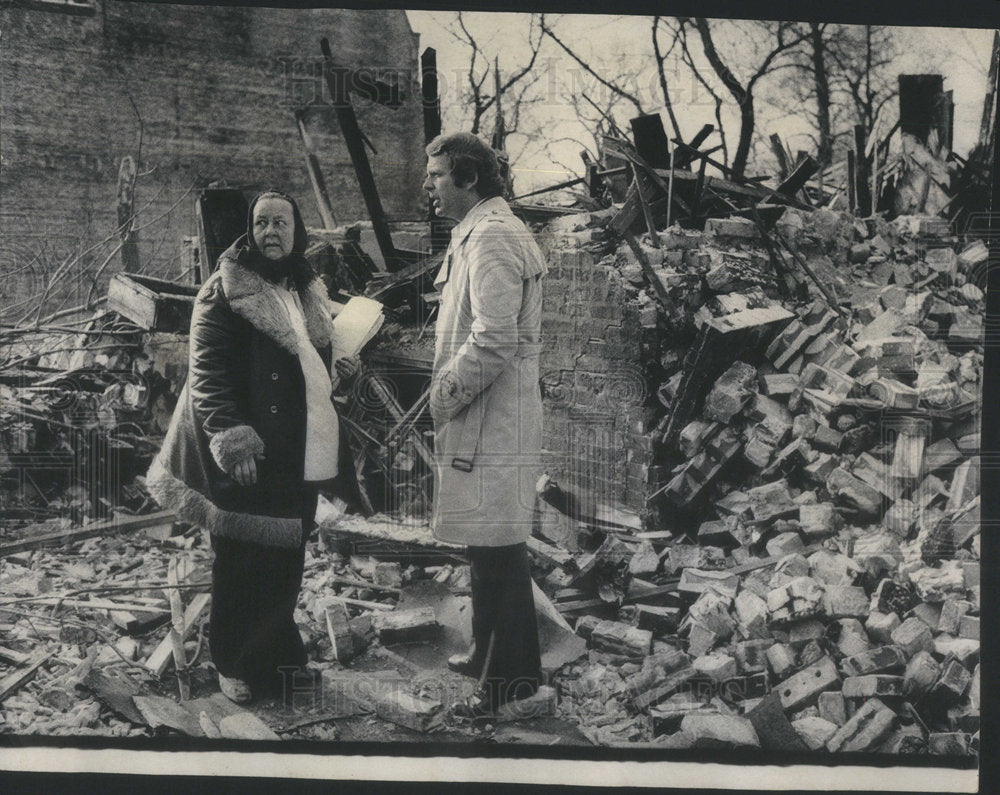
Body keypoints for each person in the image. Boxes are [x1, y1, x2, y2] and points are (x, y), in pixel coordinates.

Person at [146, 190, 360, 703]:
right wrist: (233, 440)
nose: (271, 232)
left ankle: (281, 660)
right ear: (249, 230)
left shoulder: (304, 287)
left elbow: (309, 357)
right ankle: (235, 664)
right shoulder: (224, 290)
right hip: (248, 446)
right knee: (240, 558)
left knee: (284, 556)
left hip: (296, 445)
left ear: (296, 231)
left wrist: (342, 371)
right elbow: (208, 374)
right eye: (261, 223)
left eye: (280, 223)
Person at [423, 133, 547, 716]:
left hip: (494, 417)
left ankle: (511, 682)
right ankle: (483, 653)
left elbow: (494, 339)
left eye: (437, 175)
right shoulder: (477, 231)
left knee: (499, 546)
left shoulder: (493, 236)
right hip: (486, 414)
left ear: (469, 178)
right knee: (483, 537)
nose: (428, 185)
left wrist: (444, 393)